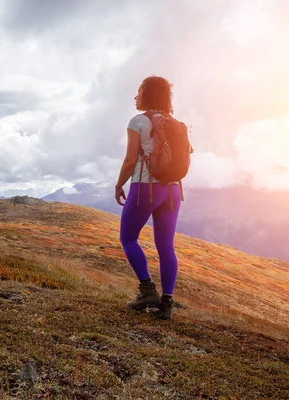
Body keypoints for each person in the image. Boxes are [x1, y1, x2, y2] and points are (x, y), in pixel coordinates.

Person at [115, 76, 182, 321]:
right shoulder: (173, 122)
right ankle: (167, 304)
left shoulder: (138, 121)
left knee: (128, 237)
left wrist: (119, 184)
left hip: (146, 187)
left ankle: (146, 290)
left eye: (139, 91)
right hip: (173, 189)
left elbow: (130, 160)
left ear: (148, 94)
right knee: (166, 247)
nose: (135, 97)